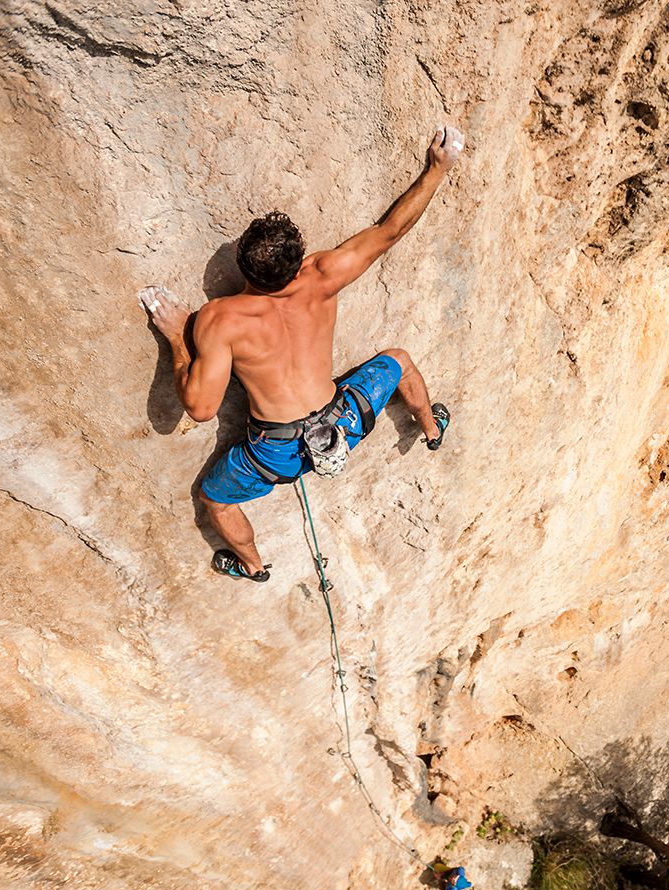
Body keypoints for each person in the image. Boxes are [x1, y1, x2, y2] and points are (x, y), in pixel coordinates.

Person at [140, 125, 466, 582]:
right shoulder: (324, 275)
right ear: (298, 261)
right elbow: (390, 232)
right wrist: (437, 168)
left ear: (243, 269)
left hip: (278, 453)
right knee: (400, 361)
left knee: (216, 499)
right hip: (344, 422)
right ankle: (431, 428)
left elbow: (198, 407)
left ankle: (253, 567)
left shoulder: (222, 319)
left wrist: (177, 337)